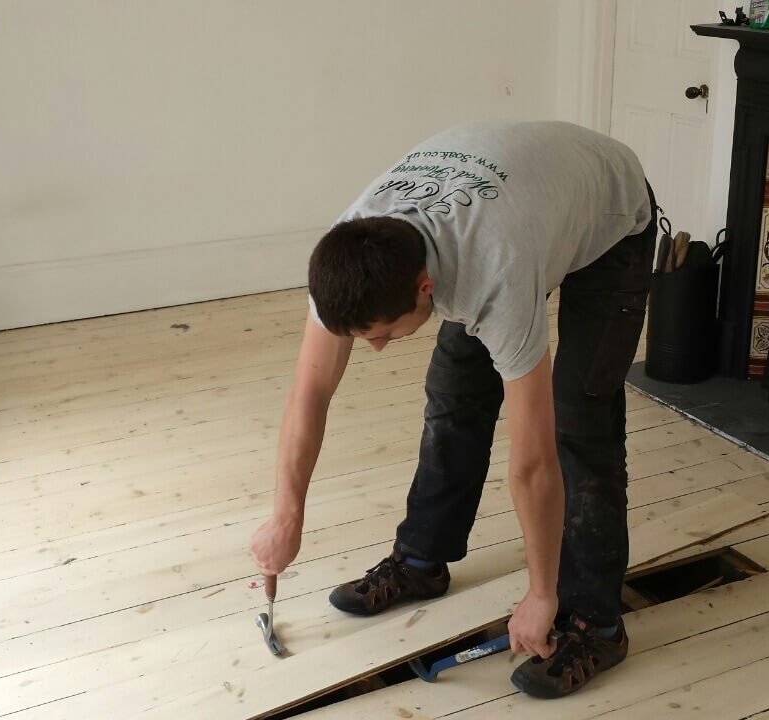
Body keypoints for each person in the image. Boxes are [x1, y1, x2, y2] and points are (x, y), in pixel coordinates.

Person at [250, 120, 656, 699]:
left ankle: (597, 623)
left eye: (386, 333)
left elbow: (534, 462)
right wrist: (285, 517)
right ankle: (422, 560)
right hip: (520, 205)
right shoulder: (347, 259)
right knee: (454, 394)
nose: (379, 348)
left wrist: (542, 594)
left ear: (424, 288)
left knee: (580, 418)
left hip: (611, 217)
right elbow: (308, 394)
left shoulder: (496, 274)